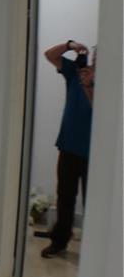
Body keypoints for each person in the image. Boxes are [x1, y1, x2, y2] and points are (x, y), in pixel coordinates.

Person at [41, 39, 95, 257]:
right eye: (96, 53)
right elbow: (49, 55)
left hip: (94, 152)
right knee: (64, 196)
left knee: (93, 200)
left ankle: (93, 250)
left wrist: (90, 84)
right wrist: (70, 45)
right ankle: (60, 241)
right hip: (68, 145)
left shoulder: (111, 81)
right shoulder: (75, 71)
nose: (97, 57)